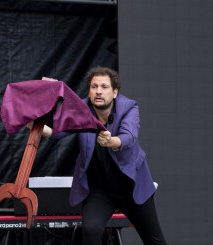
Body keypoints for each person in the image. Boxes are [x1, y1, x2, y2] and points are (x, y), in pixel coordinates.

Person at [30, 66, 167, 244]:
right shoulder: (81, 109)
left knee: (155, 241)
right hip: (100, 190)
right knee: (91, 230)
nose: (98, 91)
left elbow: (129, 136)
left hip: (132, 186)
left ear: (115, 92)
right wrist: (31, 123)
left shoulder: (128, 107)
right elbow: (54, 132)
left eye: (104, 87)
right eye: (94, 87)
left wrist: (112, 141)